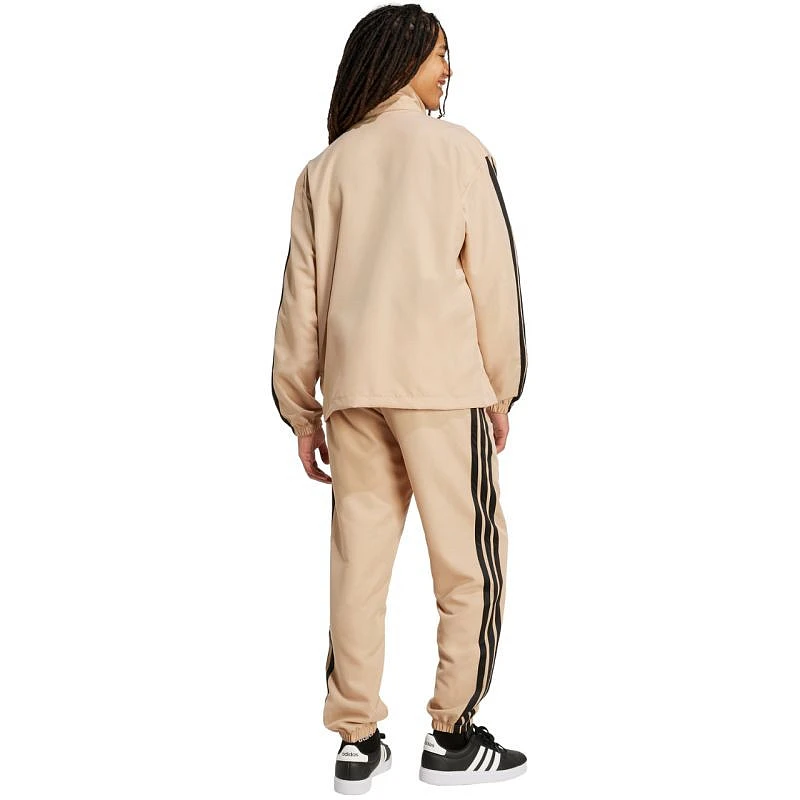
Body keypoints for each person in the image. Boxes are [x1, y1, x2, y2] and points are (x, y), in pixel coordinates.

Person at [271, 4, 528, 793]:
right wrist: (503, 388)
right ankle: (452, 736)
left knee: (358, 568)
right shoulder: (458, 151)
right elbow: (492, 279)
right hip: (441, 386)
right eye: (439, 53)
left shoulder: (325, 169)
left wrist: (300, 410)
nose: (448, 69)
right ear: (404, 55)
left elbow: (301, 300)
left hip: (353, 392)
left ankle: (356, 741)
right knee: (469, 564)